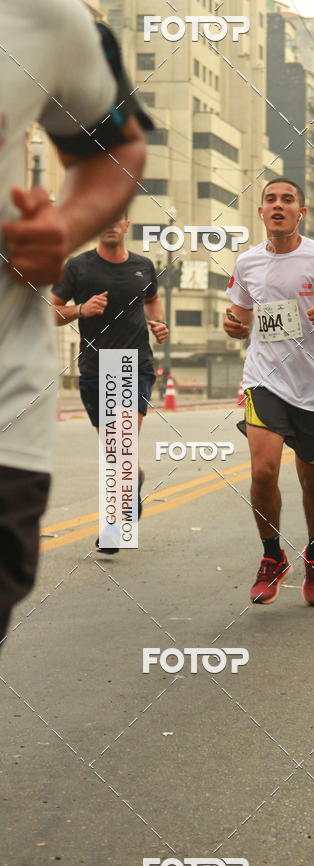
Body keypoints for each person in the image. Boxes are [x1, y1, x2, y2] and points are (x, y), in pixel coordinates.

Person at [0, 1, 149, 648]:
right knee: (109, 435)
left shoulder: (45, 17)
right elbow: (61, 305)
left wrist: (57, 226)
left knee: (121, 438)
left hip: (18, 398)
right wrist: (73, 308)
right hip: (92, 361)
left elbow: (118, 148)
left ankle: (119, 511)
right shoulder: (86, 270)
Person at [224, 179, 314, 606]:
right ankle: (272, 557)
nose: (278, 205)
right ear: (261, 212)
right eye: (271, 200)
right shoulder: (247, 263)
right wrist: (233, 326)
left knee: (313, 479)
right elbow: (239, 317)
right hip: (264, 380)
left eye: (288, 200)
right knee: (263, 472)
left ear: (301, 212)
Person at [51, 216, 168, 551]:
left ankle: (115, 528)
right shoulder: (78, 268)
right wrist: (80, 310)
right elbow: (51, 310)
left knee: (121, 448)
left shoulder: (144, 266)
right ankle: (135, 481)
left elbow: (152, 300)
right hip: (93, 368)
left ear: (127, 223)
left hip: (134, 365)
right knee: (115, 452)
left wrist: (158, 323)